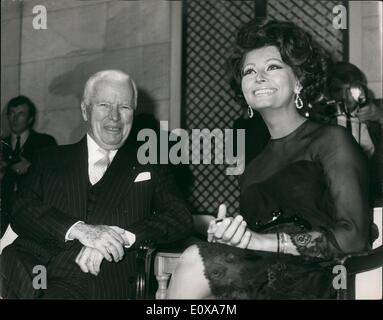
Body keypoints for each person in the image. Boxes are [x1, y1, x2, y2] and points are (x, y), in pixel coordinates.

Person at [166, 20, 370, 299]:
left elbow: (354, 236)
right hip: (261, 278)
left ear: (298, 79)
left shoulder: (331, 140)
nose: (258, 77)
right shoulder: (254, 166)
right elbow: (254, 244)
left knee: (193, 261)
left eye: (272, 67)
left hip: (315, 278)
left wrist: (259, 241)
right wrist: (232, 238)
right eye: (249, 71)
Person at [0, 70, 193, 299]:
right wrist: (80, 230)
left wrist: (119, 237)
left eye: (124, 107)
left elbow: (180, 217)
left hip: (102, 280)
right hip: (31, 274)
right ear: (85, 110)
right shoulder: (49, 158)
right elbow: (22, 209)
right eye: (104, 105)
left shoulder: (150, 166)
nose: (114, 117)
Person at [1, 95, 57, 237]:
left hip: (33, 213)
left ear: (31, 118)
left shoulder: (45, 142)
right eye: (12, 114)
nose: (15, 118)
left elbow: (54, 178)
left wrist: (30, 168)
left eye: (20, 114)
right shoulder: (2, 144)